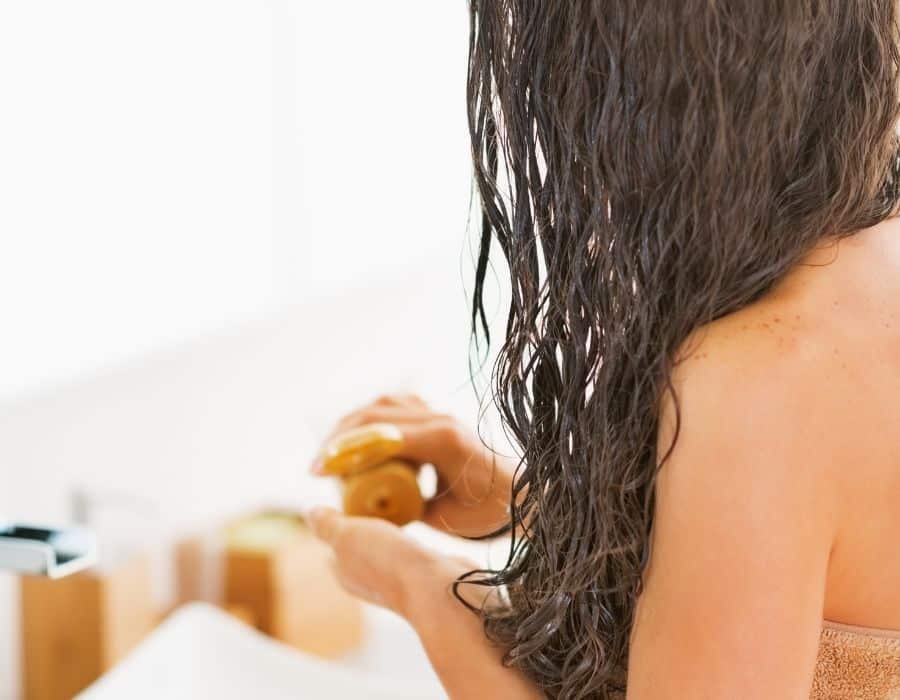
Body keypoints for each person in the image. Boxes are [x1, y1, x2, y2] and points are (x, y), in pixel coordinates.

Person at [309, 2, 900, 698]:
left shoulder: (756, 380)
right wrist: (519, 500)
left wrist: (420, 590)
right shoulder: (871, 261)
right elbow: (787, 571)